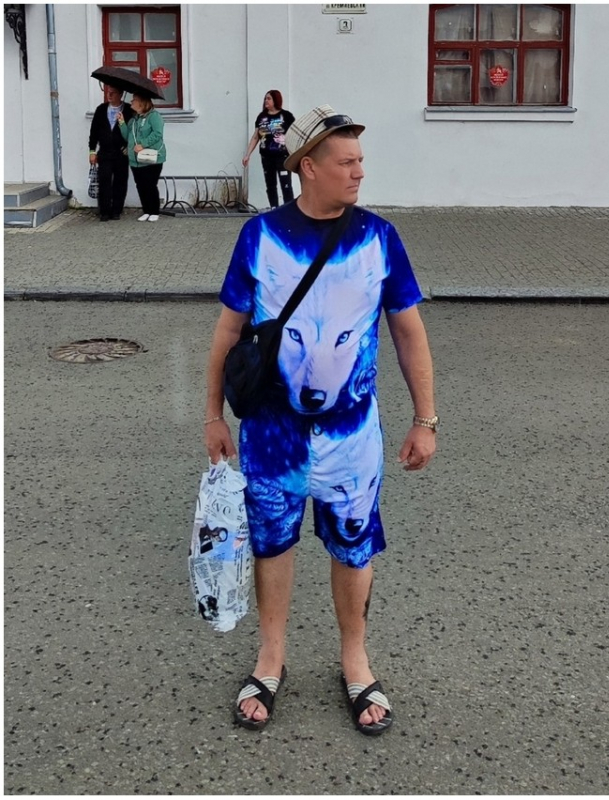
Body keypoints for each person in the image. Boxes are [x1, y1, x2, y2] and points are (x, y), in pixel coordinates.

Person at [205, 104, 438, 736]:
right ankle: (270, 658)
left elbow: (409, 333)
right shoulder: (260, 236)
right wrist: (212, 415)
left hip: (352, 434)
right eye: (347, 162)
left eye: (361, 161)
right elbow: (228, 331)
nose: (359, 172)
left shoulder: (379, 238)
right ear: (308, 167)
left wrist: (426, 419)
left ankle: (355, 661)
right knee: (272, 543)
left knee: (354, 547)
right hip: (270, 432)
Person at [242, 90, 295, 210]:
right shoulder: (262, 117)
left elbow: (294, 134)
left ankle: (290, 210)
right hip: (267, 157)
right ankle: (274, 208)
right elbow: (255, 137)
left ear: (276, 100)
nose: (266, 101)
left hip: (282, 156)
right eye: (265, 98)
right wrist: (247, 154)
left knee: (286, 184)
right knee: (270, 185)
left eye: (269, 98)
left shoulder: (286, 116)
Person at [88, 85, 134, 221]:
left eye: (113, 93)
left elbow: (133, 131)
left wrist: (129, 146)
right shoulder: (101, 109)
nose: (109, 95)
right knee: (104, 181)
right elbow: (93, 132)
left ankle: (116, 210)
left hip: (121, 153)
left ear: (120, 94)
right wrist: (92, 151)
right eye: (108, 92)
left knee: (120, 182)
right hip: (105, 152)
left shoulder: (128, 110)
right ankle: (104, 211)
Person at [118, 93, 166, 222]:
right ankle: (147, 210)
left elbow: (157, 134)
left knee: (150, 185)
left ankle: (154, 211)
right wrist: (122, 122)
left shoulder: (154, 116)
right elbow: (127, 136)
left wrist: (143, 144)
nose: (131, 102)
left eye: (134, 100)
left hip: (151, 158)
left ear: (142, 103)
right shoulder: (134, 120)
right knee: (140, 185)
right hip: (136, 160)